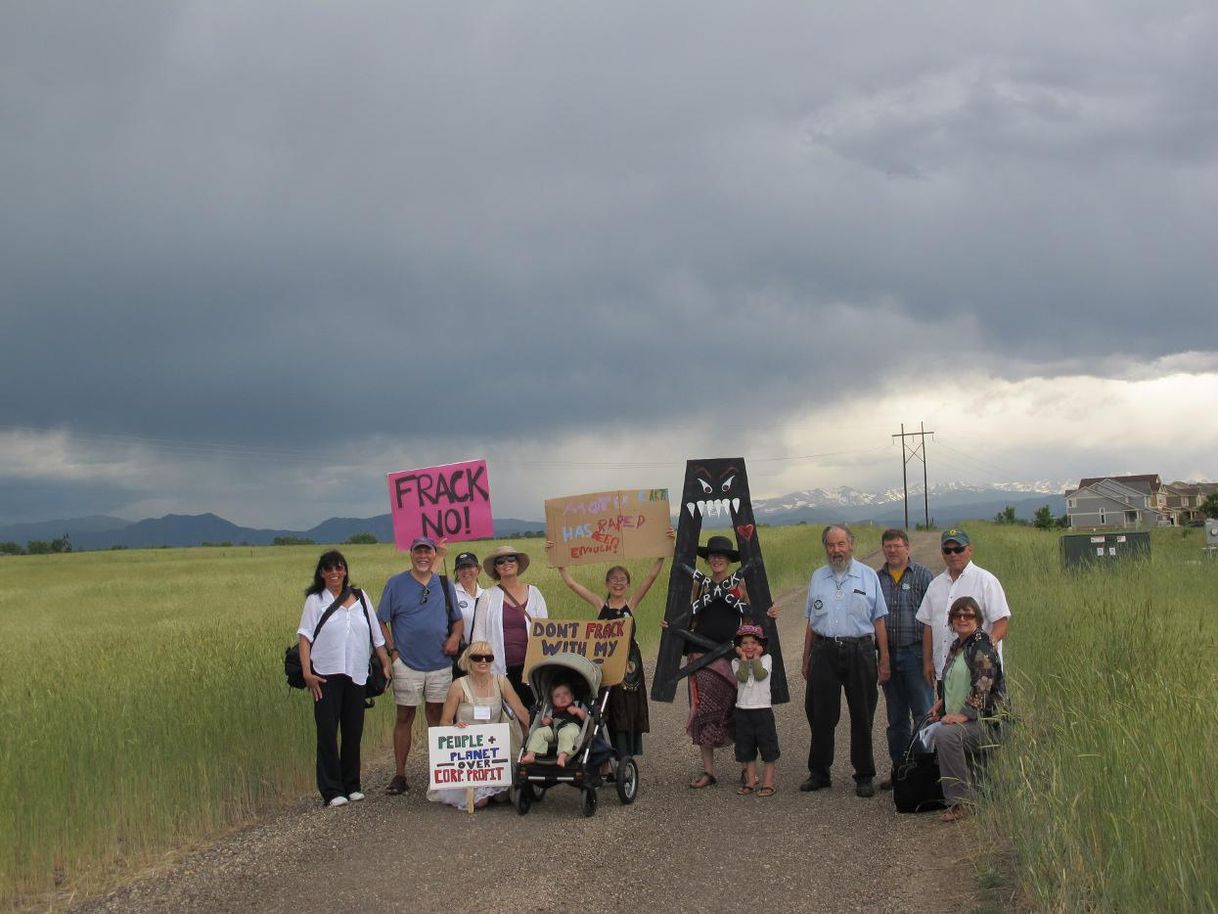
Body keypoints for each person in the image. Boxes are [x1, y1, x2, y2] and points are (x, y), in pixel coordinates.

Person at [552, 534, 671, 759]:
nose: (618, 583)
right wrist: (560, 564)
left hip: (629, 668)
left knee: (628, 709)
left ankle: (626, 755)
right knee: (607, 709)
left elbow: (651, 577)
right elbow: (572, 584)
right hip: (605, 665)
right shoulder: (600, 604)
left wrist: (662, 552)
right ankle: (606, 754)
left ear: (628, 584)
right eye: (614, 579)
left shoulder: (631, 604)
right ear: (607, 583)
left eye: (622, 579)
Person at [678, 534, 778, 789]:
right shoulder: (700, 585)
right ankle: (709, 771)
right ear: (708, 559)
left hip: (732, 655)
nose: (717, 559)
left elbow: (751, 616)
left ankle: (746, 769)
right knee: (702, 712)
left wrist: (766, 618)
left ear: (729, 560)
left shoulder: (739, 585)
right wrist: (672, 626)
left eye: (721, 555)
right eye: (712, 555)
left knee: (737, 710)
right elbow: (688, 614)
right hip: (701, 654)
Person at [800, 524, 890, 797]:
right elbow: (811, 622)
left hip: (860, 651)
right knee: (820, 715)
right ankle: (819, 773)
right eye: (831, 545)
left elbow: (879, 620)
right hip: (824, 651)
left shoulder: (868, 576)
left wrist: (883, 658)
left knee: (862, 715)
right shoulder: (817, 577)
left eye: (841, 544)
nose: (836, 550)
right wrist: (806, 658)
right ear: (825, 547)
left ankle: (864, 775)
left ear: (851, 544)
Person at [297, 550, 391, 807]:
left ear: (345, 570)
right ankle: (331, 789)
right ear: (322, 573)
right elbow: (304, 638)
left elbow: (376, 636)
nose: (335, 573)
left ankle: (352, 784)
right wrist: (307, 673)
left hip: (357, 672)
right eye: (329, 569)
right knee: (327, 732)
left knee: (353, 730)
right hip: (326, 674)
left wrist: (385, 662)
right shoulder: (315, 600)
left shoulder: (360, 597)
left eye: (339, 568)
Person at [377, 535, 462, 796]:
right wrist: (393, 654)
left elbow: (457, 621)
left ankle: (439, 772)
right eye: (418, 552)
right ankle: (400, 774)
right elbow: (381, 621)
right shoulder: (396, 584)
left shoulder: (445, 584)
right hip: (407, 664)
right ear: (411, 554)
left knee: (437, 717)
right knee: (404, 717)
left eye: (428, 551)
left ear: (434, 554)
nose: (423, 556)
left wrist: (455, 638)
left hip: (439, 663)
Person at [927, 596, 1006, 822]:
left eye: (968, 615)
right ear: (951, 620)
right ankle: (982, 793)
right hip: (972, 720)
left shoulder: (981, 645)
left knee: (947, 735)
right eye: (957, 615)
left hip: (990, 722)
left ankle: (960, 803)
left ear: (978, 620)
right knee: (940, 727)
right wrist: (941, 703)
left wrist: (965, 714)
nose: (962, 619)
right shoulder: (958, 646)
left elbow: (984, 682)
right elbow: (954, 681)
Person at [433, 640, 532, 810]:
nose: (483, 661)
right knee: (480, 802)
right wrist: (454, 728)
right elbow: (444, 721)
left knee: (502, 798)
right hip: (469, 754)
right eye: (478, 657)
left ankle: (496, 789)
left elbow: (521, 711)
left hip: (494, 750)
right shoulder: (458, 686)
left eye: (488, 657)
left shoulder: (501, 682)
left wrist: (535, 734)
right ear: (468, 660)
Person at [876, 528, 935, 790]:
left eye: (897, 546)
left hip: (915, 652)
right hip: (888, 653)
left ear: (907, 548)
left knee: (923, 714)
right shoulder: (876, 578)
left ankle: (924, 771)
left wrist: (928, 660)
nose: (892, 551)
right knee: (896, 719)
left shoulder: (923, 576)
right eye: (888, 546)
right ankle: (900, 771)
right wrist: (882, 659)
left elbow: (932, 619)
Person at [915, 528, 1011, 687]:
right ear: (942, 553)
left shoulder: (986, 581)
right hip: (945, 672)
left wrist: (987, 646)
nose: (953, 554)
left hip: (978, 673)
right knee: (947, 711)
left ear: (970, 550)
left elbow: (1001, 621)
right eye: (947, 550)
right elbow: (928, 625)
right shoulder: (935, 585)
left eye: (958, 549)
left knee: (976, 711)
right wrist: (927, 661)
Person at [471, 545, 548, 710]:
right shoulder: (488, 596)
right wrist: (480, 666)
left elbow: (545, 631)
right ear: (496, 568)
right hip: (499, 668)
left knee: (533, 712)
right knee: (506, 714)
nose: (506, 563)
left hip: (530, 668)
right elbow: (478, 635)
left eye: (511, 559)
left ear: (518, 564)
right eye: (501, 561)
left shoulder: (534, 593)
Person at [732, 623, 779, 798]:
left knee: (768, 747)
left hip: (762, 710)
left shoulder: (767, 660)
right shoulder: (736, 662)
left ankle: (768, 782)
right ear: (738, 646)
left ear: (760, 645)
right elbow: (743, 676)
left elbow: (760, 675)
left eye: (753, 642)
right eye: (744, 643)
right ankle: (750, 781)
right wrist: (744, 658)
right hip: (743, 710)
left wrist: (757, 657)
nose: (749, 646)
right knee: (746, 748)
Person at [520, 682, 587, 767]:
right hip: (554, 730)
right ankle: (531, 754)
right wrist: (545, 721)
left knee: (566, 733)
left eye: (566, 693)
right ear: (553, 701)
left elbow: (586, 718)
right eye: (557, 696)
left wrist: (578, 711)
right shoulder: (552, 710)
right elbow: (545, 722)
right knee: (539, 732)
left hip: (572, 728)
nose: (562, 697)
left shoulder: (578, 704)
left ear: (572, 696)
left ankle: (562, 756)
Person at [451, 551, 485, 677]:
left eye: (470, 567)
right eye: (461, 568)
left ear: (478, 569)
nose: (466, 571)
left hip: (481, 655)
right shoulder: (451, 594)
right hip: (458, 655)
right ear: (457, 572)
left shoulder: (486, 595)